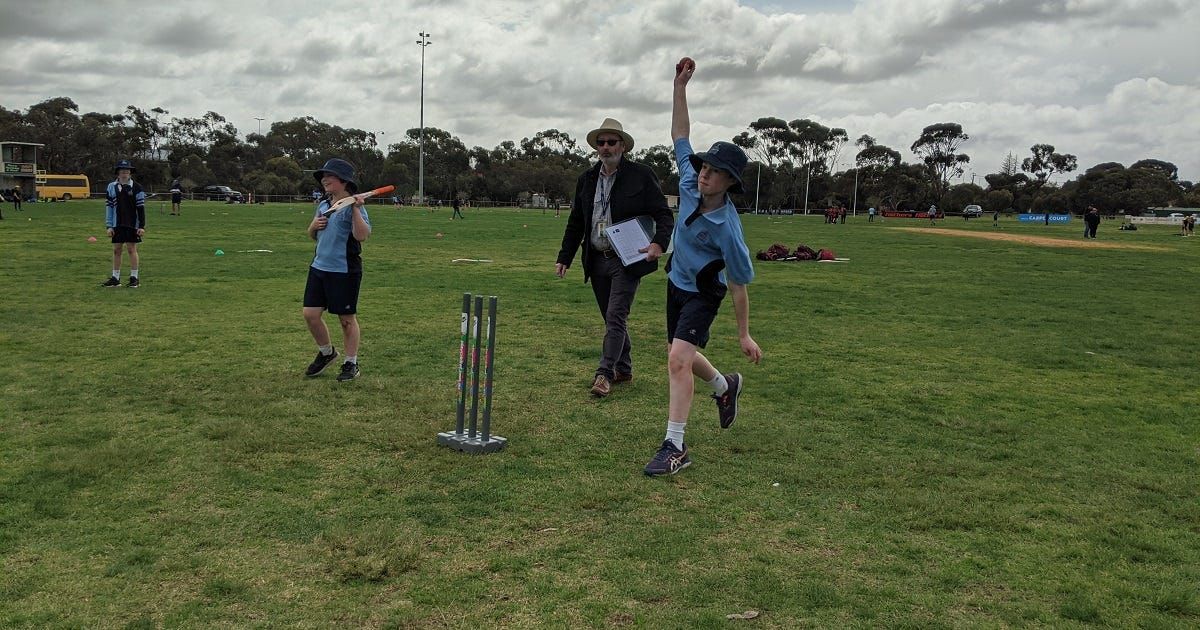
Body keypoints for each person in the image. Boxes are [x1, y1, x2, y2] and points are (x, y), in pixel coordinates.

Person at [643, 57, 763, 477]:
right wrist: (680, 86)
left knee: (677, 357)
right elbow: (679, 133)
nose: (705, 175)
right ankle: (723, 385)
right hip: (676, 280)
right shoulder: (690, 181)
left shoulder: (730, 230)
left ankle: (675, 446)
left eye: (716, 173)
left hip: (704, 292)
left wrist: (744, 334)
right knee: (679, 354)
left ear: (731, 182)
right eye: (705, 167)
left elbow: (739, 285)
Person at [555, 118, 674, 398]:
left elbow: (663, 214)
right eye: (601, 142)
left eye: (611, 142)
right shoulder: (586, 179)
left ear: (623, 146)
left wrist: (659, 243)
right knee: (612, 319)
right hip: (596, 258)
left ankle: (604, 374)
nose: (606, 147)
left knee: (616, 314)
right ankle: (624, 368)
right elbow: (576, 221)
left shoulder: (641, 175)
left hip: (628, 259)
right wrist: (565, 257)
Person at [302, 158, 372, 382]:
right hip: (319, 267)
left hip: (343, 271)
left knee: (346, 319)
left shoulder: (354, 206)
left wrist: (356, 210)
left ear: (343, 181)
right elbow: (313, 234)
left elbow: (362, 235)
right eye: (323, 176)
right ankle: (326, 353)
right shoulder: (323, 204)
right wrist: (314, 226)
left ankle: (351, 363)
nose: (324, 180)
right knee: (310, 315)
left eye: (329, 176)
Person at [101, 160, 147, 288]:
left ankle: (134, 278)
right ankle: (115, 278)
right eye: (122, 171)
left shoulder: (137, 188)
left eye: (127, 171)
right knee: (117, 250)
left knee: (132, 249)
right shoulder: (111, 187)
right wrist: (109, 226)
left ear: (130, 173)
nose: (124, 173)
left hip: (132, 224)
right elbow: (109, 207)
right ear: (118, 172)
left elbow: (141, 208)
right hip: (117, 224)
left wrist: (141, 226)